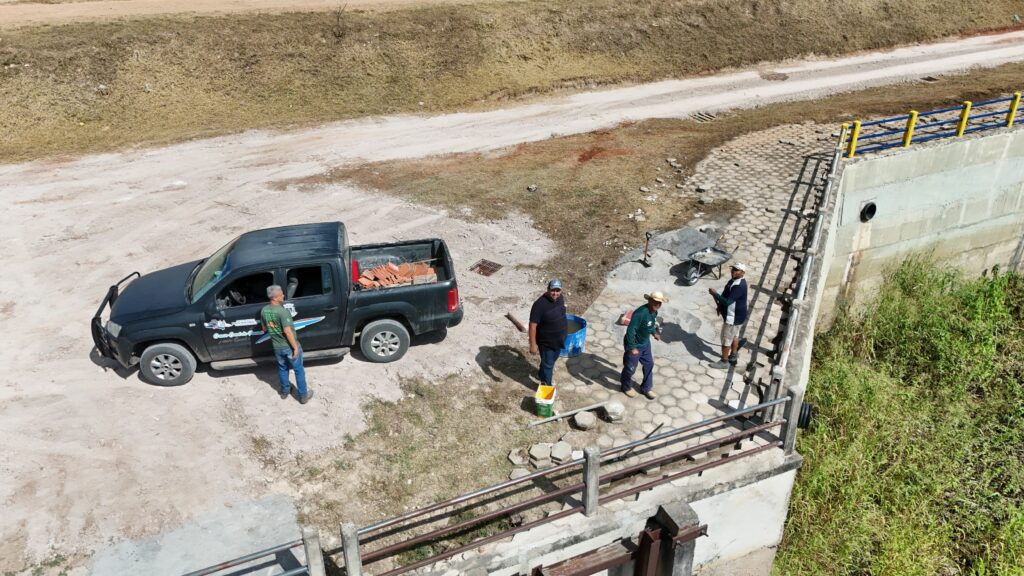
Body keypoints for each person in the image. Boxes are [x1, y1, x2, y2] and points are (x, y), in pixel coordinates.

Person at [261, 284, 313, 404]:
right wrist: (295, 347)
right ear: (274, 297)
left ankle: (285, 391)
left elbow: (264, 329)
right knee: (298, 370)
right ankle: (303, 396)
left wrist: (274, 329)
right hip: (288, 347)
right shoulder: (282, 312)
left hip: (277, 347)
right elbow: (288, 332)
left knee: (282, 368)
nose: (283, 295)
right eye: (281, 294)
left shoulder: (264, 310)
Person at [620, 291, 666, 399]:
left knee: (649, 364)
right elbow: (631, 331)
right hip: (635, 345)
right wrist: (632, 347)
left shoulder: (654, 312)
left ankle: (646, 388)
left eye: (659, 303)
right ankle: (626, 387)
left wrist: (654, 332)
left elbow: (651, 324)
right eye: (655, 302)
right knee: (630, 368)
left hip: (645, 344)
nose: (657, 305)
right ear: (649, 300)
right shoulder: (640, 313)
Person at [708, 263, 749, 370]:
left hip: (733, 317)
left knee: (726, 338)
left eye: (737, 270)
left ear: (743, 273)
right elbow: (725, 295)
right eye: (733, 269)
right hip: (737, 316)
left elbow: (728, 302)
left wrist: (714, 294)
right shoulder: (733, 281)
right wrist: (719, 306)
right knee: (735, 336)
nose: (733, 271)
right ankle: (733, 356)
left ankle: (724, 361)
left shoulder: (739, 286)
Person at [529, 279, 568, 387]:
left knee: (549, 361)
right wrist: (533, 345)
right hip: (546, 342)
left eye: (558, 290)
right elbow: (532, 326)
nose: (555, 293)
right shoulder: (539, 305)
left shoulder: (560, 298)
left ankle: (542, 374)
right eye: (553, 290)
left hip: (559, 340)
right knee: (548, 364)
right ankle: (546, 386)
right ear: (547, 290)